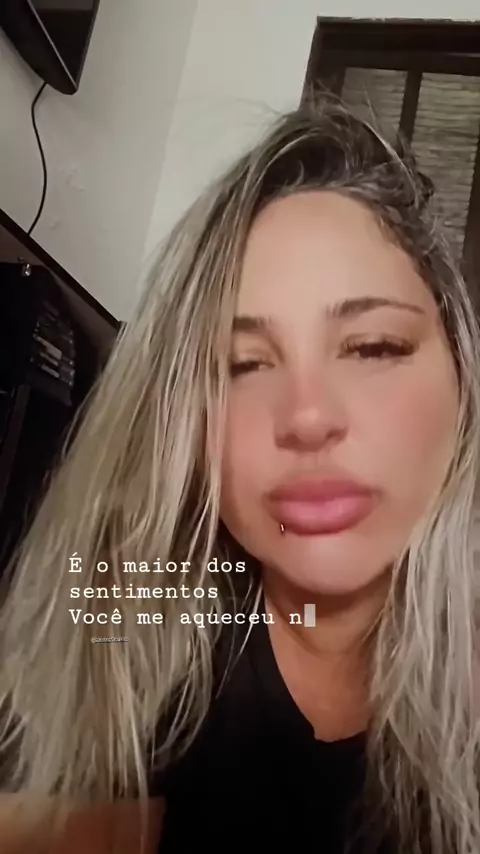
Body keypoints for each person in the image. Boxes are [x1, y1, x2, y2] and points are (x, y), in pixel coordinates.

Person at [0, 100, 479, 854]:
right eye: (244, 364)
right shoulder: (126, 633)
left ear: (462, 382)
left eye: (374, 346)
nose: (308, 416)